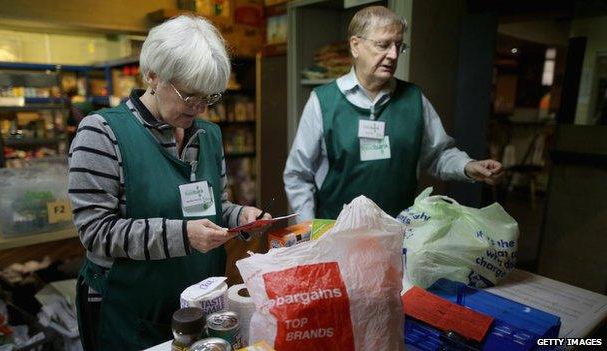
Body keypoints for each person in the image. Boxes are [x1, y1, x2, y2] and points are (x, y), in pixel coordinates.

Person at [69, 15, 270, 350]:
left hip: (198, 303)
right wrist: (184, 235)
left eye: (209, 97)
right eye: (190, 95)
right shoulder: (101, 133)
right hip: (128, 310)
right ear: (152, 76)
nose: (201, 108)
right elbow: (96, 232)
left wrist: (240, 217)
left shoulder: (208, 135)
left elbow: (214, 207)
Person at [284, 6, 503, 221]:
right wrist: (308, 229)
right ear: (355, 46)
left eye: (399, 45)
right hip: (337, 234)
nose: (393, 54)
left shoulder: (414, 99)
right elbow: (298, 175)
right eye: (383, 45)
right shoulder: (323, 102)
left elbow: (437, 154)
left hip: (398, 232)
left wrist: (468, 166)